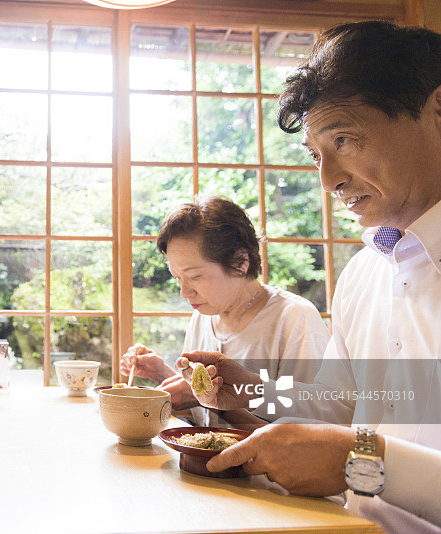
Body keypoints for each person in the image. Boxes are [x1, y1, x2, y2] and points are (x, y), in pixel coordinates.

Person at [176, 21, 441, 533]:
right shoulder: (367, 271)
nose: (328, 179)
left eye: (345, 139)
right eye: (317, 155)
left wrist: (362, 460)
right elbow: (338, 403)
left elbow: (351, 444)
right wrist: (250, 393)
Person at [120, 197, 329, 426]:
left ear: (240, 263)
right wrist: (162, 373)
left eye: (194, 277)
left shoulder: (293, 318)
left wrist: (205, 400)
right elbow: (201, 416)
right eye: (177, 277)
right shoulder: (203, 315)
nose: (184, 292)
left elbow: (311, 434)